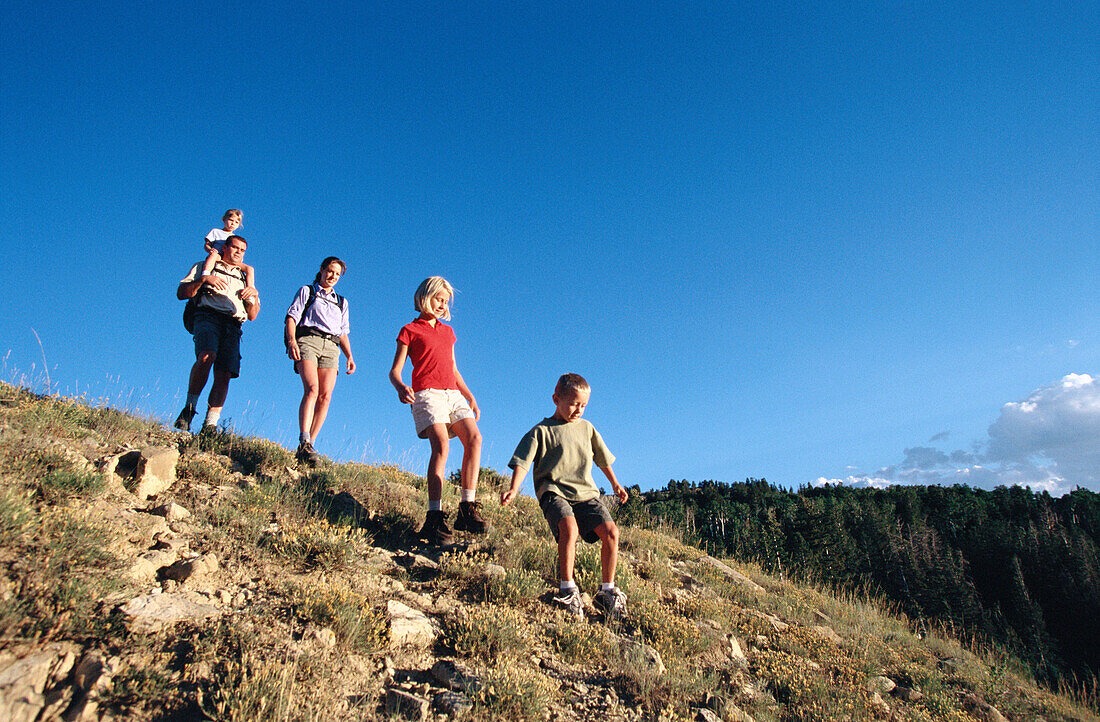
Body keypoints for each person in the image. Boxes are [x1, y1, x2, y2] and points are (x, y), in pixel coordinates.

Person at [502, 373, 630, 618]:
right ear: (556, 399)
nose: (578, 410)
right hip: (554, 491)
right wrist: (514, 488)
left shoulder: (587, 428)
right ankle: (567, 590)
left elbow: (601, 458)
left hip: (586, 493)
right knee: (569, 529)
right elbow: (523, 462)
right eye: (573, 404)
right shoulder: (541, 431)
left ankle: (608, 591)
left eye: (583, 405)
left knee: (612, 533)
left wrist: (615, 483)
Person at [389, 276, 487, 544]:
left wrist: (470, 396)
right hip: (426, 393)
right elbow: (395, 371)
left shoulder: (448, 332)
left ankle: (467, 508)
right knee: (442, 446)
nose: (442, 305)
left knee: (475, 439)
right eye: (438, 299)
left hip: (452, 393)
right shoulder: (409, 330)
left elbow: (453, 369)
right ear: (425, 296)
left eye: (445, 301)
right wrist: (401, 387)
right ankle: (434, 516)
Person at [173, 235, 260, 431]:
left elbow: (253, 315)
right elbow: (181, 293)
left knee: (224, 373)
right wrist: (204, 280)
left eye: (242, 250)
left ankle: (210, 425)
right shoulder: (206, 265)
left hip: (233, 324)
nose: (238, 252)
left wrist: (252, 295)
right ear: (225, 247)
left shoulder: (246, 277)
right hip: (207, 315)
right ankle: (189, 409)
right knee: (206, 356)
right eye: (235, 248)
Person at [285, 257, 355, 465]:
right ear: (322, 270)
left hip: (332, 347)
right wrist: (291, 341)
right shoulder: (308, 291)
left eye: (337, 274)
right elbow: (291, 317)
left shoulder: (341, 302)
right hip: (308, 340)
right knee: (312, 389)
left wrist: (350, 355)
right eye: (330, 271)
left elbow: (343, 332)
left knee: (325, 396)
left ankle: (310, 446)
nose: (333, 276)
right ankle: (304, 438)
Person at [201, 210, 256, 290]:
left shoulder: (235, 238)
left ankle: (250, 287)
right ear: (224, 219)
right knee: (213, 256)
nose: (233, 223)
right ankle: (205, 273)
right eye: (231, 220)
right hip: (219, 256)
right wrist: (210, 250)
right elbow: (207, 244)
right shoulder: (216, 231)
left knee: (250, 269)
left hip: (232, 260)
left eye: (236, 222)